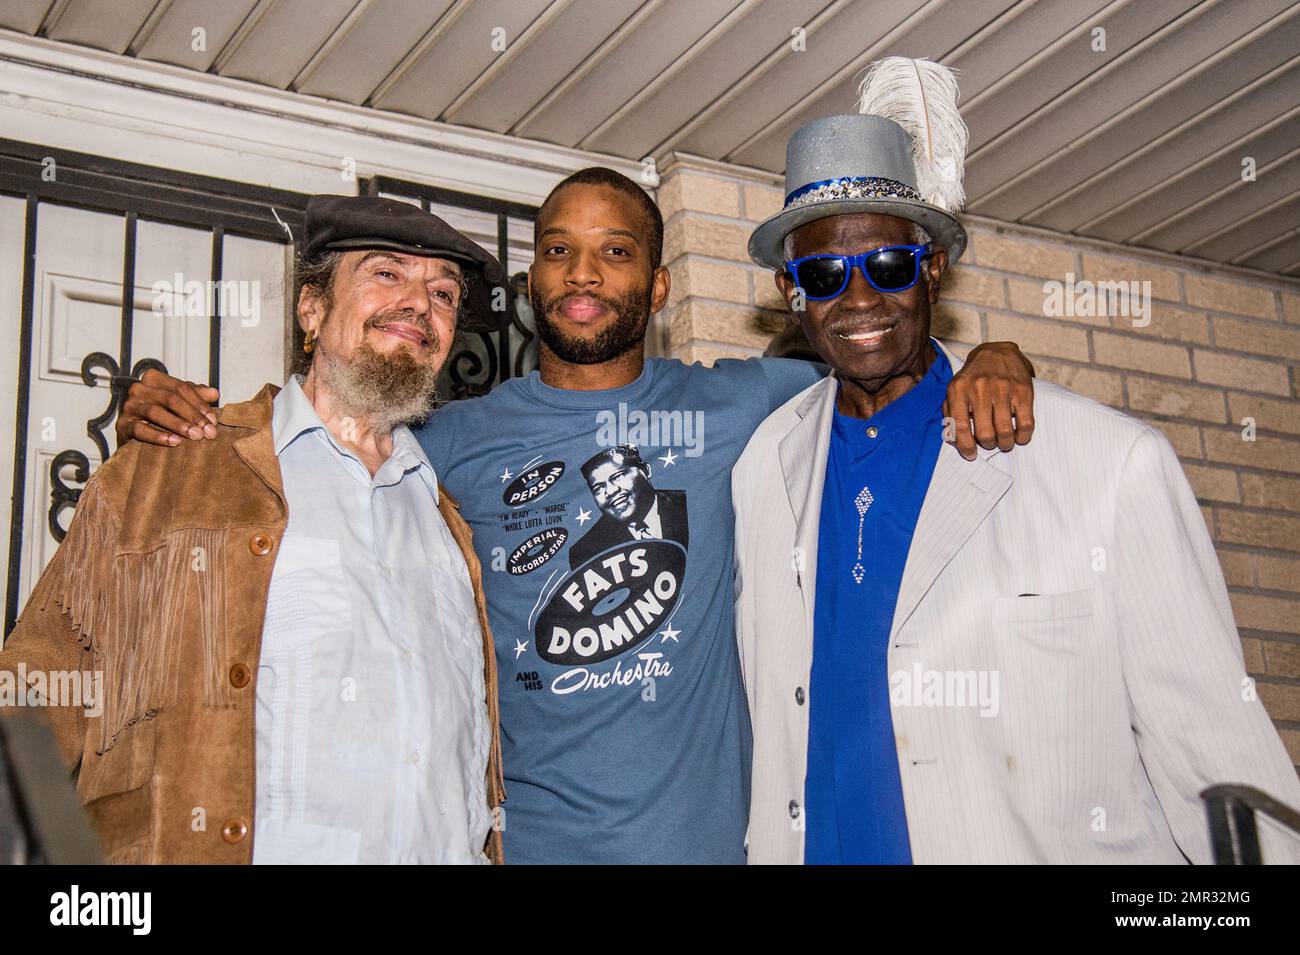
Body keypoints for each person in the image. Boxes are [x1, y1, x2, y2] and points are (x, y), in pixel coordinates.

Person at [115, 168, 1036, 863]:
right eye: (557, 249)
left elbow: (875, 348)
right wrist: (167, 407)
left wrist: (989, 354)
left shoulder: (745, 404)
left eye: (616, 251)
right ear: (529, 282)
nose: (582, 272)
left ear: (660, 286)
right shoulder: (448, 440)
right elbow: (323, 431)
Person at [733, 58, 1300, 864]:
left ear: (932, 265)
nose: (858, 299)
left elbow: (1221, 764)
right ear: (794, 291)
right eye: (823, 273)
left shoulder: (1105, 462)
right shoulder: (764, 466)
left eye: (888, 265)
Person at [0, 196, 508, 864]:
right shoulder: (177, 464)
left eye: (442, 292)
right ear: (312, 308)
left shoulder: (450, 524)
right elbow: (34, 701)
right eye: (386, 274)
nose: (420, 303)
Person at [567, 445, 688, 568]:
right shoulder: (584, 552)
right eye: (598, 488)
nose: (610, 491)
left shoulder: (688, 506)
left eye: (618, 476)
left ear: (646, 471)